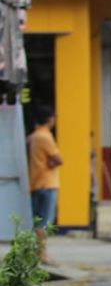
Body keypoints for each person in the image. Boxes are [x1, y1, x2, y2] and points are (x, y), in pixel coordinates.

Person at [27, 106, 63, 265]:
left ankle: (37, 253)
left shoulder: (33, 136)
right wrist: (52, 161)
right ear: (49, 119)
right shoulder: (45, 136)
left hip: (35, 182)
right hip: (47, 182)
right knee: (44, 222)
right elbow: (59, 159)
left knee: (37, 221)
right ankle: (42, 254)